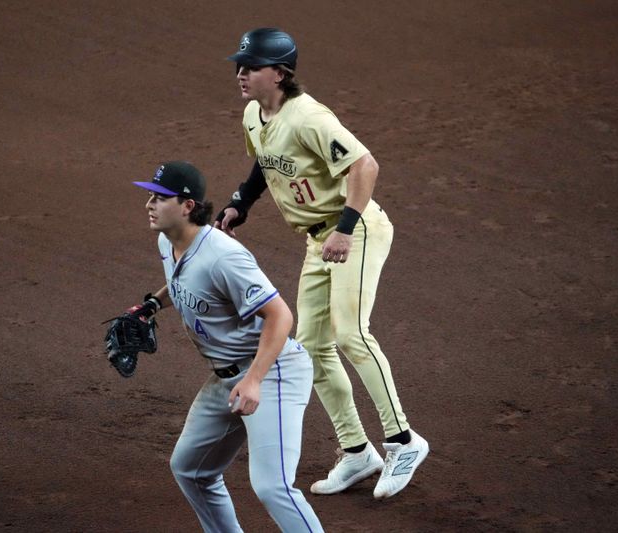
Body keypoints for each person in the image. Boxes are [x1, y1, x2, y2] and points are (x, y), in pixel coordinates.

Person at [215, 28, 429, 500]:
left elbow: (364, 166)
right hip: (319, 241)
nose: (241, 74)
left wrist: (346, 229)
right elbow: (264, 164)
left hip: (354, 231)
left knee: (351, 333)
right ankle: (356, 451)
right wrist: (240, 203)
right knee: (311, 344)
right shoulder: (254, 114)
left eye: (251, 67)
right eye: (240, 65)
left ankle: (403, 441)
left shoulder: (308, 116)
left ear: (281, 73)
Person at [129, 160, 324, 533]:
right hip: (225, 379)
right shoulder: (168, 242)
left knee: (273, 486)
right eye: (150, 196)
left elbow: (280, 316)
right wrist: (152, 304)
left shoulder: (225, 256)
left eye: (160, 197)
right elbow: (183, 280)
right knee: (190, 468)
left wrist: (253, 380)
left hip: (272, 372)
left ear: (187, 206)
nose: (149, 204)